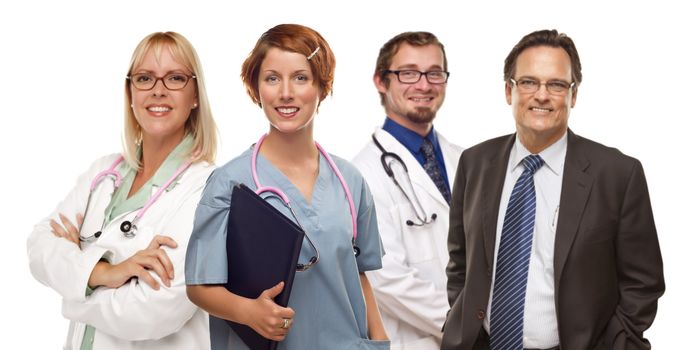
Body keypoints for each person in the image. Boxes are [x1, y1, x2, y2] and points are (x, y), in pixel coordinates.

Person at [441, 29, 665, 350]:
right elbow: (460, 262)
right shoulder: (475, 162)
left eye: (557, 84)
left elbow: (643, 283)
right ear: (509, 90)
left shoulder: (618, 174)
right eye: (529, 82)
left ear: (573, 95)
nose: (541, 95)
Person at [184, 23, 390, 350]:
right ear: (256, 88)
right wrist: (247, 311)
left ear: (323, 87)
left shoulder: (349, 180)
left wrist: (380, 343)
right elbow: (199, 286)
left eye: (300, 77)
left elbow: (360, 275)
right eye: (272, 78)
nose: (285, 93)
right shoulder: (230, 183)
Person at [27, 31, 218, 349]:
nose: (158, 91)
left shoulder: (209, 190)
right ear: (130, 92)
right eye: (145, 78)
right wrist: (105, 273)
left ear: (195, 95)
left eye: (174, 78)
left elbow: (152, 311)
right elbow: (38, 246)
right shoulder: (103, 173)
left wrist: (73, 287)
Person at [352, 31, 462, 350]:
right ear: (381, 81)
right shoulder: (363, 173)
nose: (424, 85)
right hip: (418, 341)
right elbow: (386, 279)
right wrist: (468, 325)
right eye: (408, 73)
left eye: (434, 73)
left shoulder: (465, 159)